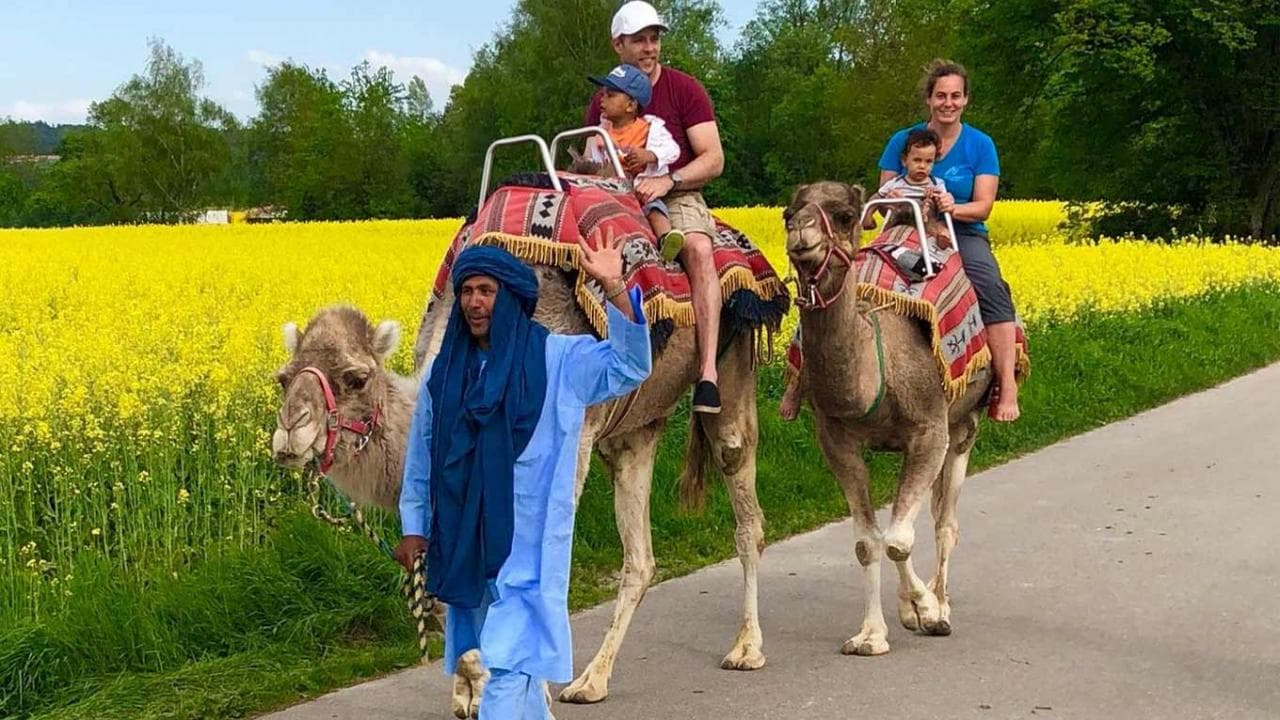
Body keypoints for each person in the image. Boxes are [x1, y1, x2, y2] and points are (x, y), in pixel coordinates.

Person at [393, 235, 652, 718]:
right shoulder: (444, 376)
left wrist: (615, 288)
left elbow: (630, 364)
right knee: (514, 670)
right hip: (466, 544)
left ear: (509, 296)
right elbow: (422, 455)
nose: (473, 301)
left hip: (527, 551)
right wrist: (413, 526)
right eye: (466, 290)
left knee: (504, 671)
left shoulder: (559, 360)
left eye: (486, 290)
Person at [586, 0, 725, 414]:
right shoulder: (606, 99)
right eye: (639, 40)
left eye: (654, 39)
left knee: (698, 249)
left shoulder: (685, 89)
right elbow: (593, 152)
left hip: (674, 190)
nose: (649, 48)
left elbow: (713, 158)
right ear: (618, 45)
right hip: (617, 192)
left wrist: (669, 178)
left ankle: (708, 374)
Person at [877, 59, 1022, 422]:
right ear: (929, 99)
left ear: (966, 100)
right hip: (904, 230)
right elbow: (884, 195)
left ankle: (1006, 385)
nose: (948, 103)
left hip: (962, 233)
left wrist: (950, 208)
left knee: (990, 287)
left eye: (955, 96)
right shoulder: (902, 140)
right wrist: (910, 208)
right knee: (856, 281)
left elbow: (984, 206)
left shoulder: (980, 145)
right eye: (940, 95)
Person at [585, 62, 687, 262]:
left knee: (654, 208)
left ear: (631, 105)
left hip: (639, 188)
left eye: (610, 95)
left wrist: (650, 155)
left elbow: (673, 151)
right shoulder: (601, 130)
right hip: (609, 187)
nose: (601, 100)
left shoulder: (651, 128)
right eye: (603, 94)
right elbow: (591, 163)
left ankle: (666, 239)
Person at [863, 127, 952, 249]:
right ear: (905, 161)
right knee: (898, 214)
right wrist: (868, 214)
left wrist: (936, 197)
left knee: (935, 220)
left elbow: (945, 202)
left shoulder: (936, 183)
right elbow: (878, 197)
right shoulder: (895, 184)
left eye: (928, 162)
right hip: (898, 222)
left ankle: (942, 237)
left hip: (926, 222)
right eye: (917, 160)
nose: (922, 166)